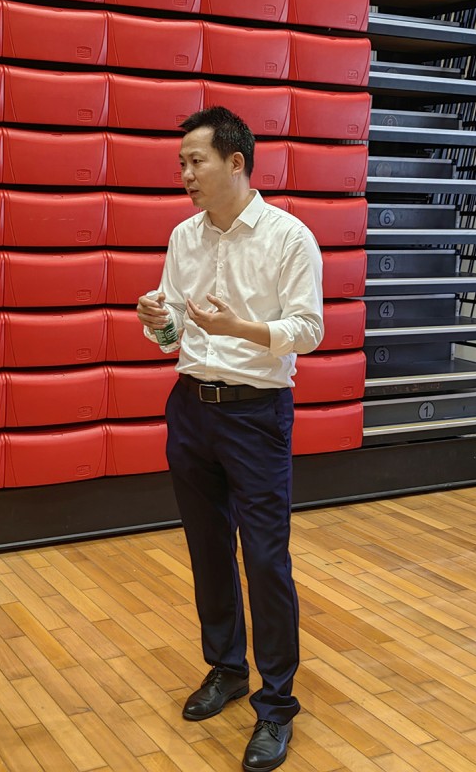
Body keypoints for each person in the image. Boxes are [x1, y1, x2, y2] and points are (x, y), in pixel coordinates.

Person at [136, 106, 324, 772]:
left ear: (236, 162)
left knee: (266, 558)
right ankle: (226, 667)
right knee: (207, 548)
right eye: (181, 163)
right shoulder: (183, 236)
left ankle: (276, 705)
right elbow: (171, 338)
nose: (185, 174)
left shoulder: (288, 236)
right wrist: (155, 320)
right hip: (191, 407)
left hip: (256, 414)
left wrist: (239, 328)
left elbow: (309, 330)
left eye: (196, 161)